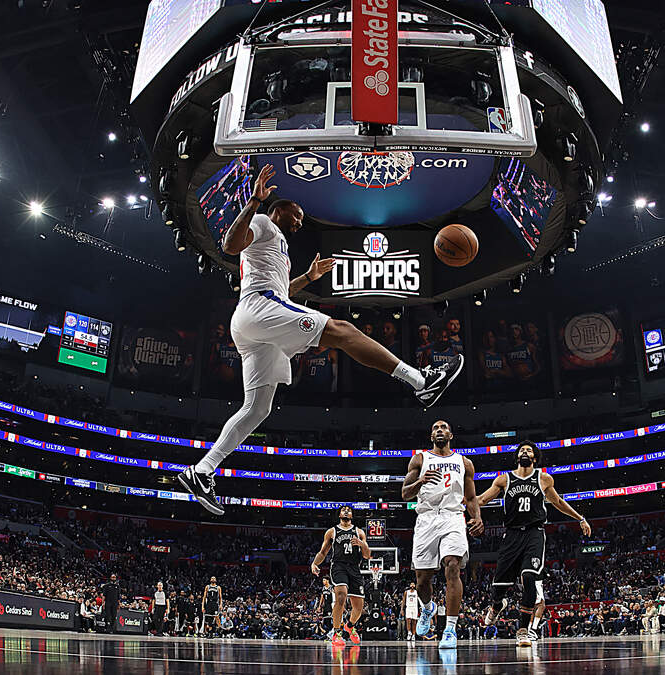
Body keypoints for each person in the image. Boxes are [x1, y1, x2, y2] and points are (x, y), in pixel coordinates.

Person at [176, 165, 464, 515]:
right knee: (344, 331)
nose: (299, 223)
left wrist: (307, 277)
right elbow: (229, 245)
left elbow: (280, 290)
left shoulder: (277, 247)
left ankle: (201, 470)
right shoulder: (264, 223)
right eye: (295, 215)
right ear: (277, 210)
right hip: (258, 309)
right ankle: (421, 380)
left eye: (300, 220)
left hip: (255, 317)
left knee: (257, 408)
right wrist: (253, 201)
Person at [475, 441, 591, 646]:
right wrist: (460, 505)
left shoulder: (543, 478)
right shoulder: (504, 479)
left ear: (535, 458)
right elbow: (482, 499)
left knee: (529, 577)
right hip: (511, 535)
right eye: (522, 450)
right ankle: (496, 606)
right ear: (517, 457)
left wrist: (580, 518)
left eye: (529, 450)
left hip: (534, 534)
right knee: (499, 588)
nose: (525, 452)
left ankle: (523, 630)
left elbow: (558, 502)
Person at [401, 419, 483, 650]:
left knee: (453, 565)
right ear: (431, 436)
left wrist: (477, 517)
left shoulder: (464, 463)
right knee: (422, 581)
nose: (439, 430)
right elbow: (405, 494)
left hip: (453, 516)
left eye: (443, 427)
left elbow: (471, 497)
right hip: (427, 518)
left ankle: (450, 629)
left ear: (451, 434)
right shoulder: (419, 459)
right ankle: (428, 608)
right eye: (435, 428)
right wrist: (420, 481)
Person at [311, 505, 371, 647]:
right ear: (339, 514)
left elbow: (367, 555)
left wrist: (362, 544)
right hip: (338, 566)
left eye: (349, 510)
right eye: (343, 509)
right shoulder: (332, 532)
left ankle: (349, 626)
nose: (346, 511)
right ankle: (336, 632)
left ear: (352, 515)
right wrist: (314, 563)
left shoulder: (359, 532)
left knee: (359, 608)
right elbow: (323, 552)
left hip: (355, 568)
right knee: (341, 596)